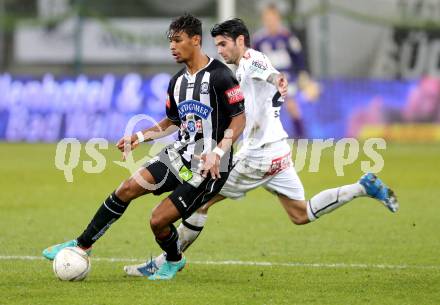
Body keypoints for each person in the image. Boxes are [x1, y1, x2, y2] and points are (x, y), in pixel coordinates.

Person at [124, 18, 399, 277]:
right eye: (216, 45)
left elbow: (268, 72)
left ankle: (167, 262)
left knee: (200, 198)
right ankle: (362, 187)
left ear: (240, 40)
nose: (219, 51)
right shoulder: (240, 67)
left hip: (257, 155)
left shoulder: (250, 59)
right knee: (300, 214)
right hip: (278, 151)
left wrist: (276, 79)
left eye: (223, 44)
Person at [42, 14, 246, 281]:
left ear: (195, 40)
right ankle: (82, 244)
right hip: (179, 155)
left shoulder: (221, 76)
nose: (172, 46)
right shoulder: (177, 82)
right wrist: (139, 136)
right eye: (170, 41)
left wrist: (218, 152)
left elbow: (240, 118)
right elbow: (173, 121)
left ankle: (173, 260)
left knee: (158, 221)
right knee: (127, 187)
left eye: (178, 40)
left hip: (209, 167)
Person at [253, 3, 320, 138]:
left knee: (292, 106)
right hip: (268, 81)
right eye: (268, 18)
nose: (271, 21)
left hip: (287, 79)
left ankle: (301, 137)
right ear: (264, 20)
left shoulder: (287, 37)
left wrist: (303, 75)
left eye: (273, 18)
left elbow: (299, 58)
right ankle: (262, 140)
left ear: (278, 19)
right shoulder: (259, 40)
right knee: (263, 111)